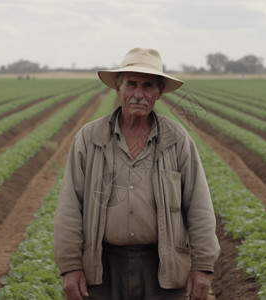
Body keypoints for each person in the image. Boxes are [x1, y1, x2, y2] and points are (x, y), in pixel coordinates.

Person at [54, 47, 220, 300]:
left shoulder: (177, 140)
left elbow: (198, 207)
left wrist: (202, 266)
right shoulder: (89, 139)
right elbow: (69, 206)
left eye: (148, 86)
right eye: (131, 84)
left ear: (159, 92)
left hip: (163, 268)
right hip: (102, 267)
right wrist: (70, 266)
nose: (139, 94)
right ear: (118, 88)